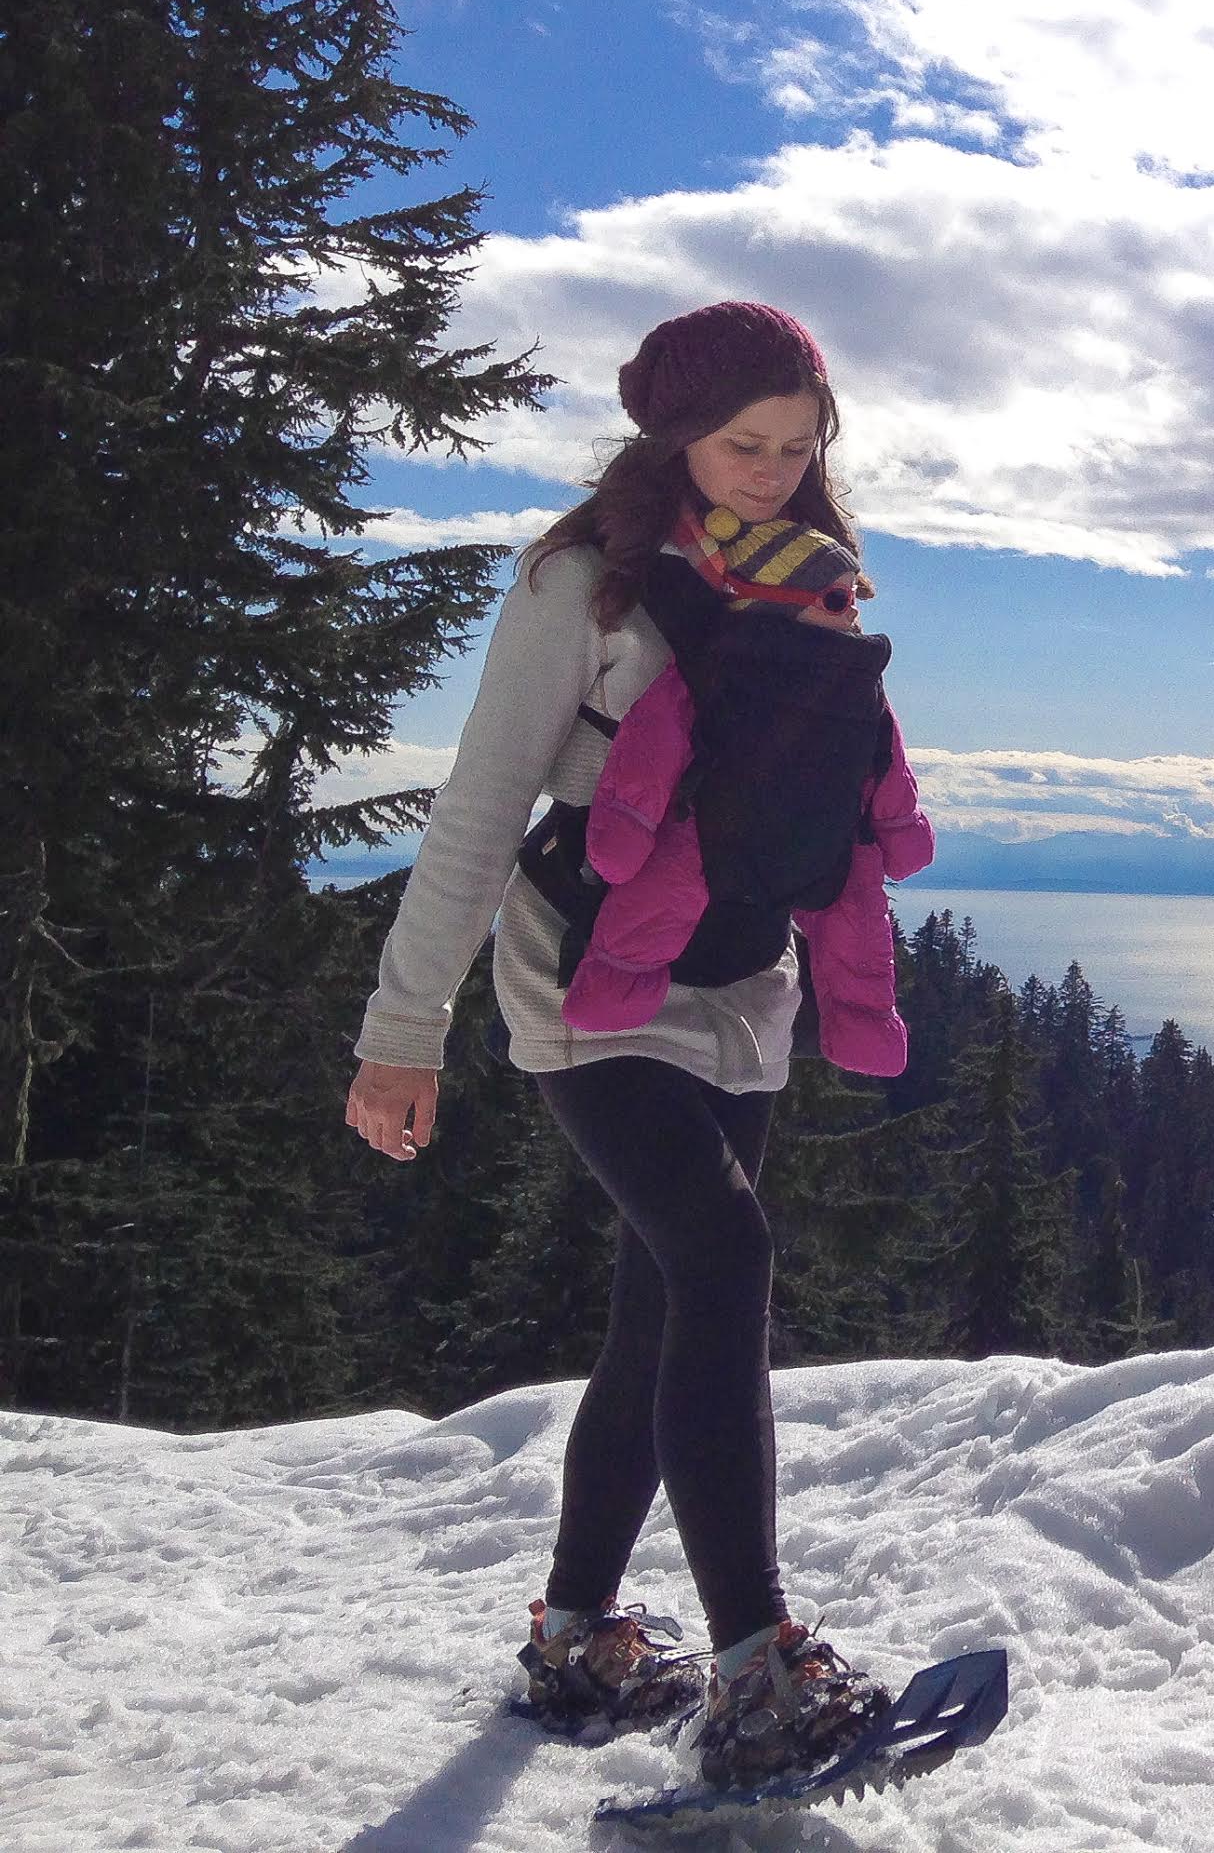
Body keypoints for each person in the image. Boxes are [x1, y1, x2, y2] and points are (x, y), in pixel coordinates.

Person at [342, 301, 910, 1785]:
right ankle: (757, 1665)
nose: (775, 469)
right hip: (581, 975)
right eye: (744, 444)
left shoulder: (814, 584)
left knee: (661, 1307)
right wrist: (404, 1030)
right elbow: (476, 809)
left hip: (737, 978)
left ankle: (580, 1632)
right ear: (671, 435)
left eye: (800, 445)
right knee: (723, 1256)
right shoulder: (583, 588)